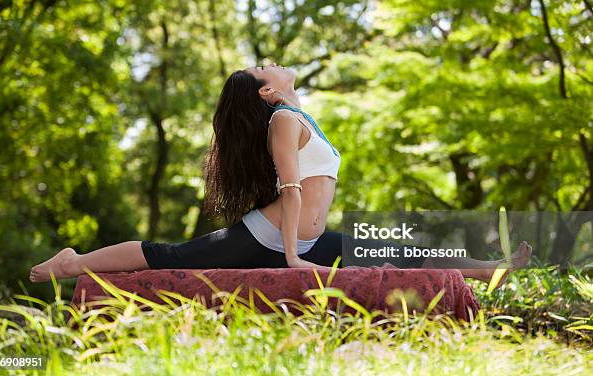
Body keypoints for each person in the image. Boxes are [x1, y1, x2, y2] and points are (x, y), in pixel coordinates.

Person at [29, 63, 531, 284]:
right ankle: (73, 263)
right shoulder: (283, 120)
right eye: (262, 68)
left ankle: (495, 268)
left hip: (300, 239)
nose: (270, 63)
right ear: (267, 93)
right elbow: (290, 187)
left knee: (399, 253)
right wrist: (293, 256)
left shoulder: (295, 115)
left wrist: (301, 248)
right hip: (273, 239)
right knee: (171, 255)